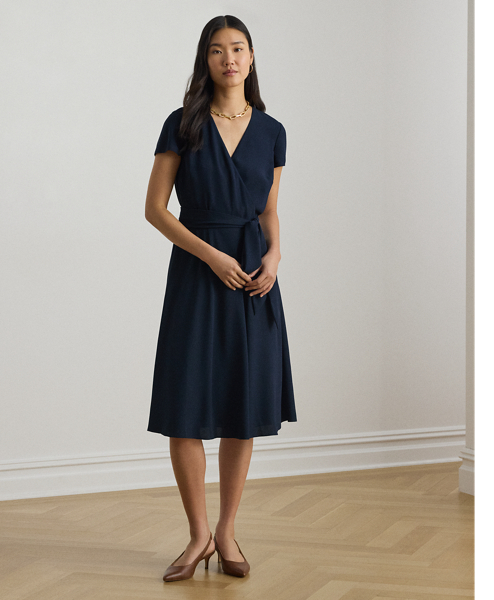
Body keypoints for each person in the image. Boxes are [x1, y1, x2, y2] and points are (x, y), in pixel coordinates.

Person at [144, 15, 297, 582]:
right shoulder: (182, 123)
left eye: (237, 48)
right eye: (216, 50)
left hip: (254, 275)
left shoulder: (273, 130)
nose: (228, 59)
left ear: (251, 57)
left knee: (242, 408)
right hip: (197, 272)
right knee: (184, 409)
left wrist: (275, 256)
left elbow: (269, 209)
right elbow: (155, 209)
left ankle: (227, 533)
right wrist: (210, 255)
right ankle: (198, 536)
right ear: (205, 60)